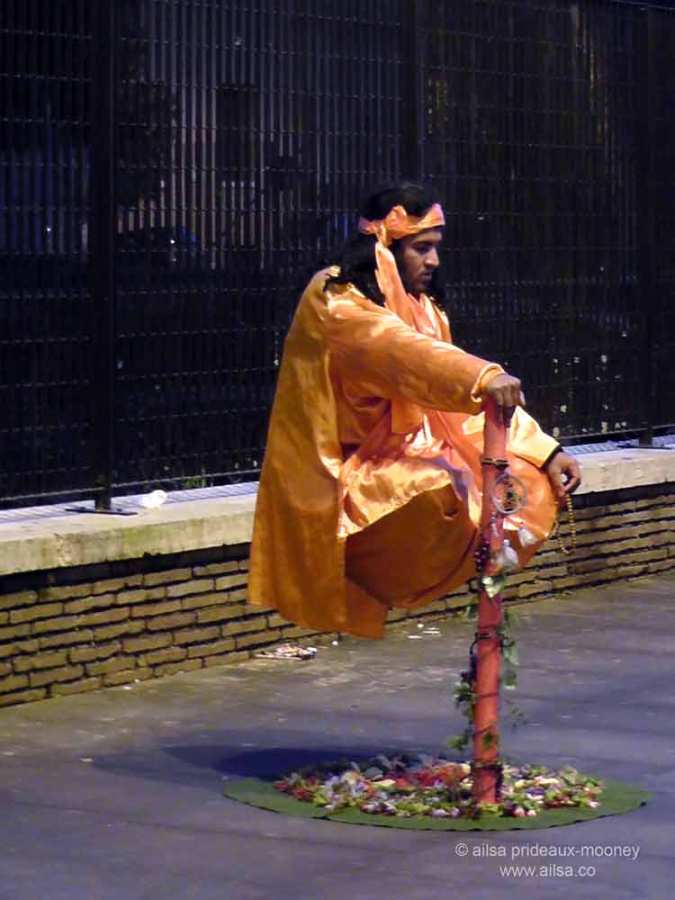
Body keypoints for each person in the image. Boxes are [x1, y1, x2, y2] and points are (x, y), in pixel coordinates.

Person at [249, 183, 581, 639]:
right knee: (433, 486)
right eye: (422, 249)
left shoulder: (422, 307)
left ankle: (476, 568)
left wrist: (545, 450)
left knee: (521, 478)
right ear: (387, 244)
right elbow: (401, 353)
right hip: (344, 480)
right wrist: (480, 377)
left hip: (406, 451)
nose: (434, 262)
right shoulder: (336, 299)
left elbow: (453, 408)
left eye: (436, 249)